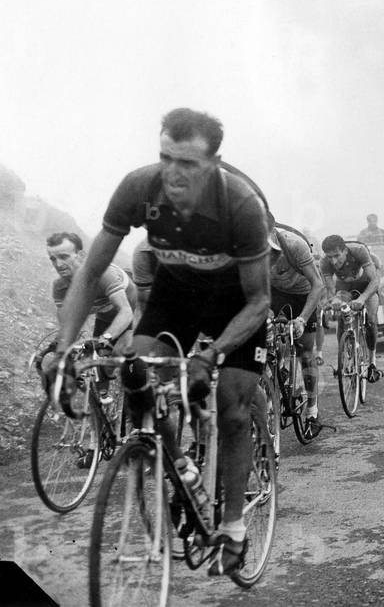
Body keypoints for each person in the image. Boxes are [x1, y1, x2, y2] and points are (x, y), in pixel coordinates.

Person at [47, 108, 272, 574]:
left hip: (236, 302)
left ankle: (233, 527)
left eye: (188, 164)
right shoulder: (139, 187)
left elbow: (258, 303)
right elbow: (89, 272)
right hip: (178, 293)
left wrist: (210, 356)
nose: (174, 173)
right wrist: (65, 348)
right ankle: (181, 465)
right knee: (136, 375)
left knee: (232, 407)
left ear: (214, 163)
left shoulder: (242, 205)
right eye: (166, 158)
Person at [42, 232, 138, 404]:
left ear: (80, 255)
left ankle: (135, 402)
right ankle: (102, 399)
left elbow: (126, 312)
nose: (58, 264)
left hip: (129, 308)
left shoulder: (102, 274)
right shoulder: (60, 287)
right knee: (95, 355)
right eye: (53, 259)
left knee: (116, 352)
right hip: (104, 313)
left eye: (64, 256)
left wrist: (106, 338)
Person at [268, 225, 326, 435]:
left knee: (305, 351)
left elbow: (318, 285)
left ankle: (312, 411)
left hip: (303, 292)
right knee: (267, 336)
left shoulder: (294, 245)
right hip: (273, 291)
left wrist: (301, 319)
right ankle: (279, 366)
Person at [319, 234, 383, 381]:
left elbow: (374, 281)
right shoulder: (324, 262)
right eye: (330, 257)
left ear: (345, 251)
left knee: (371, 319)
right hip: (345, 288)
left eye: (337, 256)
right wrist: (334, 300)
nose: (333, 261)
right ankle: (346, 355)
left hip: (366, 286)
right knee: (342, 317)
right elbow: (330, 290)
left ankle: (372, 362)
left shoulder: (359, 251)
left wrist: (362, 298)